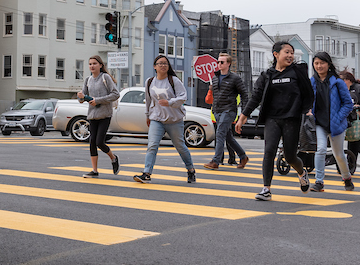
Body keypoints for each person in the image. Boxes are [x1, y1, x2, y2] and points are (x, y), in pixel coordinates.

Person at [236, 41, 314, 201]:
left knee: (290, 156)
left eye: (292, 53)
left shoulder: (298, 72)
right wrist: (243, 116)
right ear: (276, 54)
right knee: (269, 151)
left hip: (291, 118)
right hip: (272, 118)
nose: (290, 55)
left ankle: (301, 172)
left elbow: (308, 92)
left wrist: (308, 109)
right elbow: (256, 96)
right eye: (287, 52)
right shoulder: (267, 75)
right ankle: (266, 189)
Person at [133, 54, 195, 184]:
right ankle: (147, 173)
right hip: (157, 119)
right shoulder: (150, 82)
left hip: (174, 120)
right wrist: (147, 115)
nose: (163, 65)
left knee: (180, 146)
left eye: (165, 63)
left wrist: (170, 102)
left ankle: (190, 170)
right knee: (152, 145)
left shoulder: (174, 80)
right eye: (160, 63)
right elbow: (148, 100)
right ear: (155, 66)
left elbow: (183, 97)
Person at [308, 51, 356, 192]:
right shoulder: (312, 82)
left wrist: (338, 117)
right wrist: (308, 110)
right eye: (316, 63)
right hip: (319, 123)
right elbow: (307, 101)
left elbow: (348, 104)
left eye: (322, 63)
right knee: (321, 149)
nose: (319, 66)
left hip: (336, 124)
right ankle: (319, 182)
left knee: (339, 155)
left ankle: (347, 178)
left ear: (328, 64)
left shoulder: (338, 82)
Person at [77, 55, 121, 177]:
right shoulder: (88, 80)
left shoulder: (105, 77)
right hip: (92, 115)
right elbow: (82, 99)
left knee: (99, 142)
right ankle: (94, 170)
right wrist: (80, 97)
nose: (92, 66)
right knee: (92, 142)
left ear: (100, 65)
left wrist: (98, 100)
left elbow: (115, 94)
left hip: (105, 114)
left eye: (94, 63)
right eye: (90, 64)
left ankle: (113, 158)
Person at [203, 54, 248, 171]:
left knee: (220, 134)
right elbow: (213, 96)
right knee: (228, 137)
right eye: (218, 62)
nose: (219, 64)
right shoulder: (215, 78)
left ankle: (215, 161)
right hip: (217, 111)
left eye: (222, 62)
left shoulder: (235, 78)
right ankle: (243, 157)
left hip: (229, 110)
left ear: (228, 64)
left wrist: (244, 113)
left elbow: (244, 94)